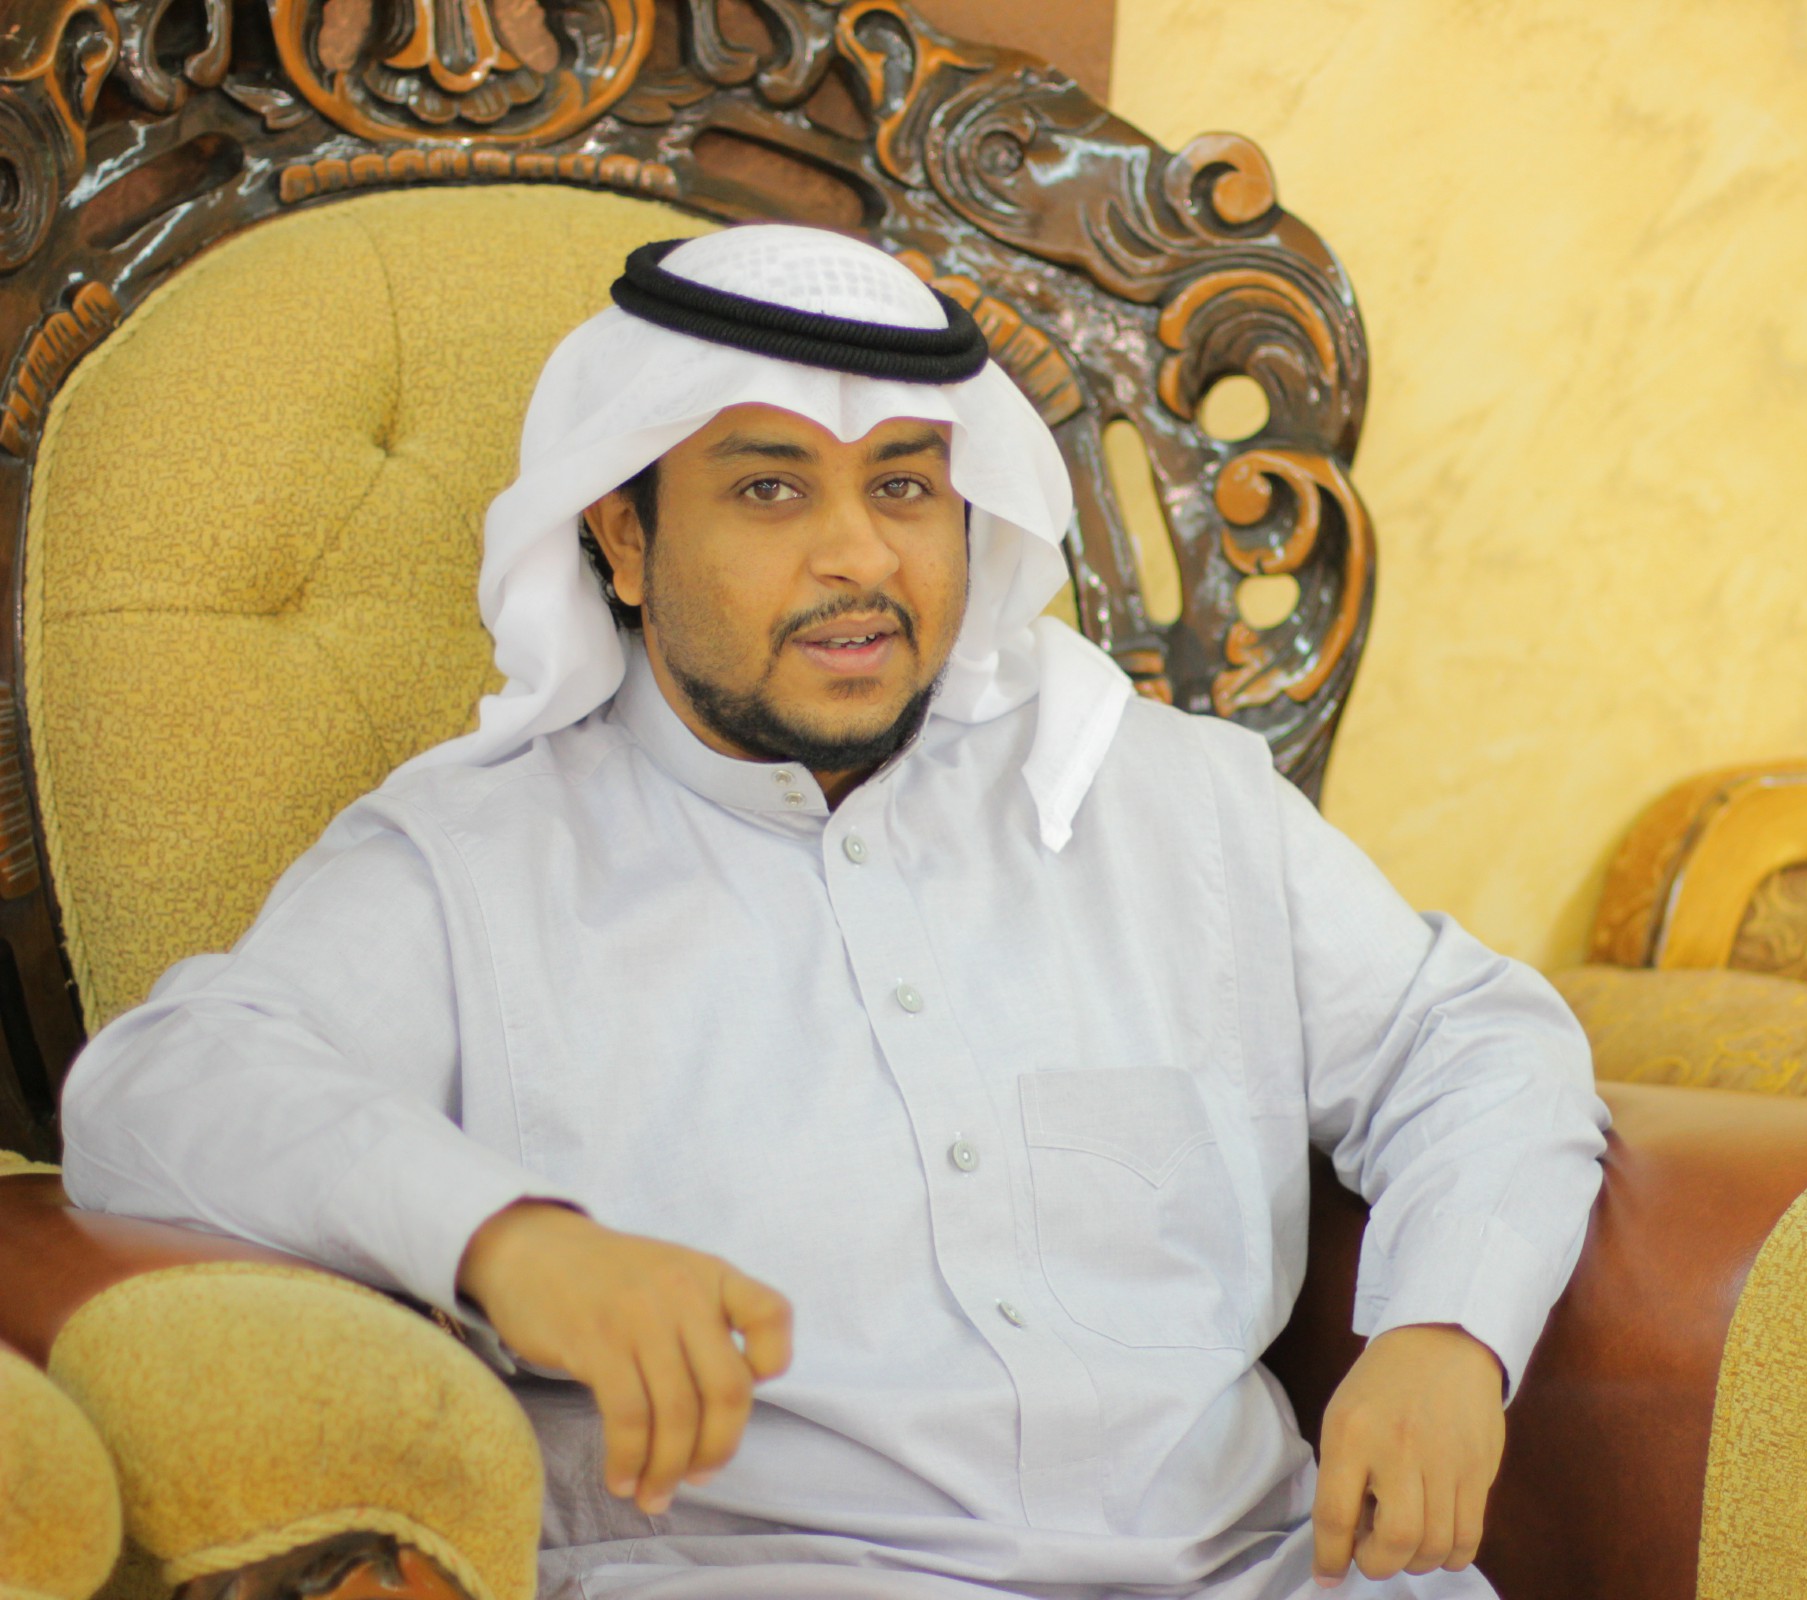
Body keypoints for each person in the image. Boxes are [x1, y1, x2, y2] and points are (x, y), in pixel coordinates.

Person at [61, 226, 1608, 1600]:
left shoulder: (1167, 798)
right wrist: (509, 1242)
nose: (861, 555)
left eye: (906, 488)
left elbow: (1472, 1043)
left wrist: (1445, 1335)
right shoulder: (476, 861)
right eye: (769, 489)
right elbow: (162, 1087)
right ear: (621, 536)